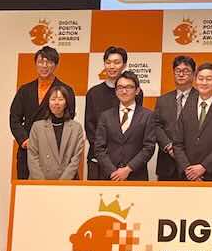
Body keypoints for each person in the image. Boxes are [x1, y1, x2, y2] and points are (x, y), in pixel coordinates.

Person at [9, 46, 76, 180]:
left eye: (49, 62)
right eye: (40, 62)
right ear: (36, 64)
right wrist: (25, 140)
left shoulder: (66, 90)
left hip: (55, 152)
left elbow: (69, 118)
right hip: (28, 149)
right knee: (26, 189)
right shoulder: (25, 90)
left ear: (55, 65)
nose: (44, 66)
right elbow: (14, 118)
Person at [84, 46, 143, 180]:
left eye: (117, 62)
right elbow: (90, 128)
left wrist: (122, 158)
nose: (112, 66)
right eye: (108, 62)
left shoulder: (135, 93)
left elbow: (135, 127)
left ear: (124, 65)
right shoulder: (93, 93)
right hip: (98, 160)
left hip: (126, 164)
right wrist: (106, 159)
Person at [172, 62, 212, 182]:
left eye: (209, 79)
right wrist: (188, 170)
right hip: (187, 176)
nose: (204, 82)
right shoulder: (185, 108)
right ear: (195, 80)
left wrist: (203, 167)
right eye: (200, 78)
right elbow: (177, 143)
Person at [93, 70, 156, 181]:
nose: (124, 91)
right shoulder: (105, 116)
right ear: (116, 91)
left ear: (137, 90)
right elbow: (99, 148)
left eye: (129, 87)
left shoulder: (148, 116)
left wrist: (128, 169)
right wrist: (113, 172)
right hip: (109, 177)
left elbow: (148, 148)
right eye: (120, 87)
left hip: (136, 177)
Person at [26, 84, 85, 180]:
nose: (56, 103)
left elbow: (75, 159)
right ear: (48, 102)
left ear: (66, 103)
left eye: (60, 99)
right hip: (39, 182)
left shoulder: (76, 128)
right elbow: (32, 157)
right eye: (53, 99)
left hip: (67, 182)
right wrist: (42, 183)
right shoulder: (37, 127)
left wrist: (60, 184)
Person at [152, 55, 195, 181]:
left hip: (192, 164)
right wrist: (168, 146)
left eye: (186, 71)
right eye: (178, 71)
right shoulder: (162, 100)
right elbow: (156, 125)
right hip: (167, 163)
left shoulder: (201, 99)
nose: (181, 74)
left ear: (193, 74)